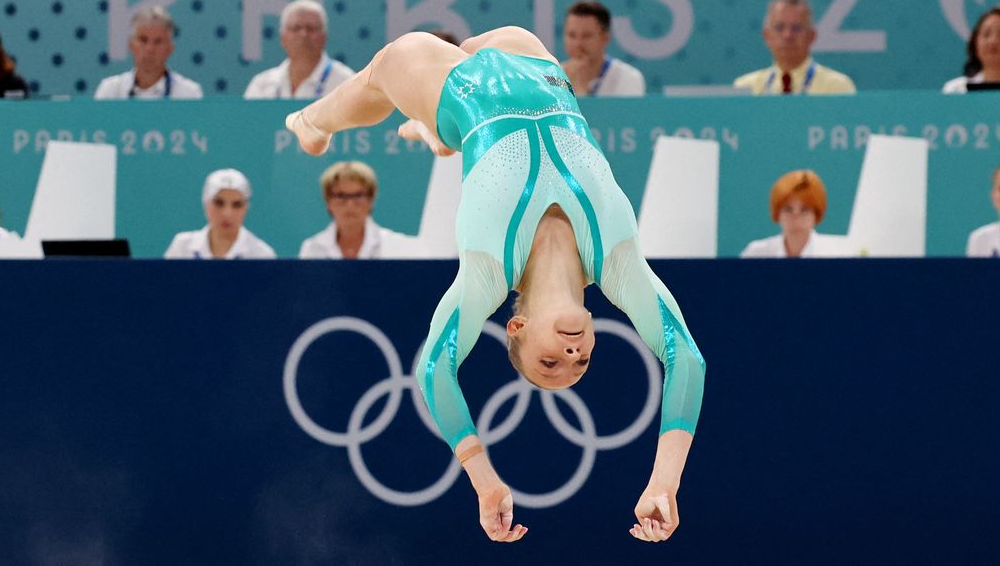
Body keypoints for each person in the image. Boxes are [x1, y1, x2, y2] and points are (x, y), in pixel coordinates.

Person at [285, 27, 705, 544]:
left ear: (518, 326)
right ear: (595, 332)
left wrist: (484, 482)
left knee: (387, 69)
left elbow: (433, 369)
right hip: (541, 70)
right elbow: (686, 357)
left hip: (466, 91)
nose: (572, 354)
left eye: (550, 362)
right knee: (485, 49)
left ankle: (311, 121)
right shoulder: (619, 263)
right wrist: (665, 482)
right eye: (583, 361)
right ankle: (436, 131)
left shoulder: (487, 273)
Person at [733, 0, 856, 95]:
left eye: (796, 28)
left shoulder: (838, 88)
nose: (788, 35)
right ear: (767, 36)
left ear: (812, 36)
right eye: (780, 28)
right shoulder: (747, 89)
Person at [299, 161, 414, 259]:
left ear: (371, 201)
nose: (350, 205)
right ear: (328, 202)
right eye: (341, 196)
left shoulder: (395, 245)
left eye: (358, 196)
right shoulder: (312, 249)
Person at [244, 0, 355, 99]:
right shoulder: (261, 86)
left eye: (311, 28)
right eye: (295, 28)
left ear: (324, 37)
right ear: (283, 38)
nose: (303, 34)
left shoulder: (346, 83)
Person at [94, 6, 203, 100]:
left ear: (170, 49)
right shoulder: (110, 91)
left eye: (158, 41)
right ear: (131, 45)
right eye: (143, 40)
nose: (150, 49)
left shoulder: (189, 94)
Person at [165, 169, 276, 259]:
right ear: (206, 204)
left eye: (237, 205)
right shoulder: (182, 248)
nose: (227, 213)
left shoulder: (262, 255)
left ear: (245, 209)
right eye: (219, 203)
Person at [561, 0, 646, 96]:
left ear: (605, 38)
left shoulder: (629, 78)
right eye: (572, 35)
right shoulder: (551, 76)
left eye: (587, 36)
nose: (578, 44)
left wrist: (581, 89)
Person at [740, 170, 834, 257]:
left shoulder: (833, 254)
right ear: (777, 213)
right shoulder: (756, 254)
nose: (796, 217)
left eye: (805, 210)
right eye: (788, 209)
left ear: (816, 214)